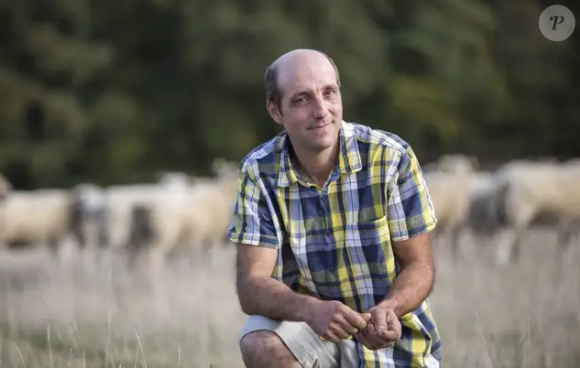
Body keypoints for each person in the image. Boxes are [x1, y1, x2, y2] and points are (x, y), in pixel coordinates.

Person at [228, 48, 442, 368]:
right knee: (260, 342)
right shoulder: (259, 173)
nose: (321, 110)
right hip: (310, 333)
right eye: (302, 99)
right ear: (275, 110)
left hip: (392, 338)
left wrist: (390, 308)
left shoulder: (391, 157)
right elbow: (251, 285)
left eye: (329, 93)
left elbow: (420, 266)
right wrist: (311, 310)